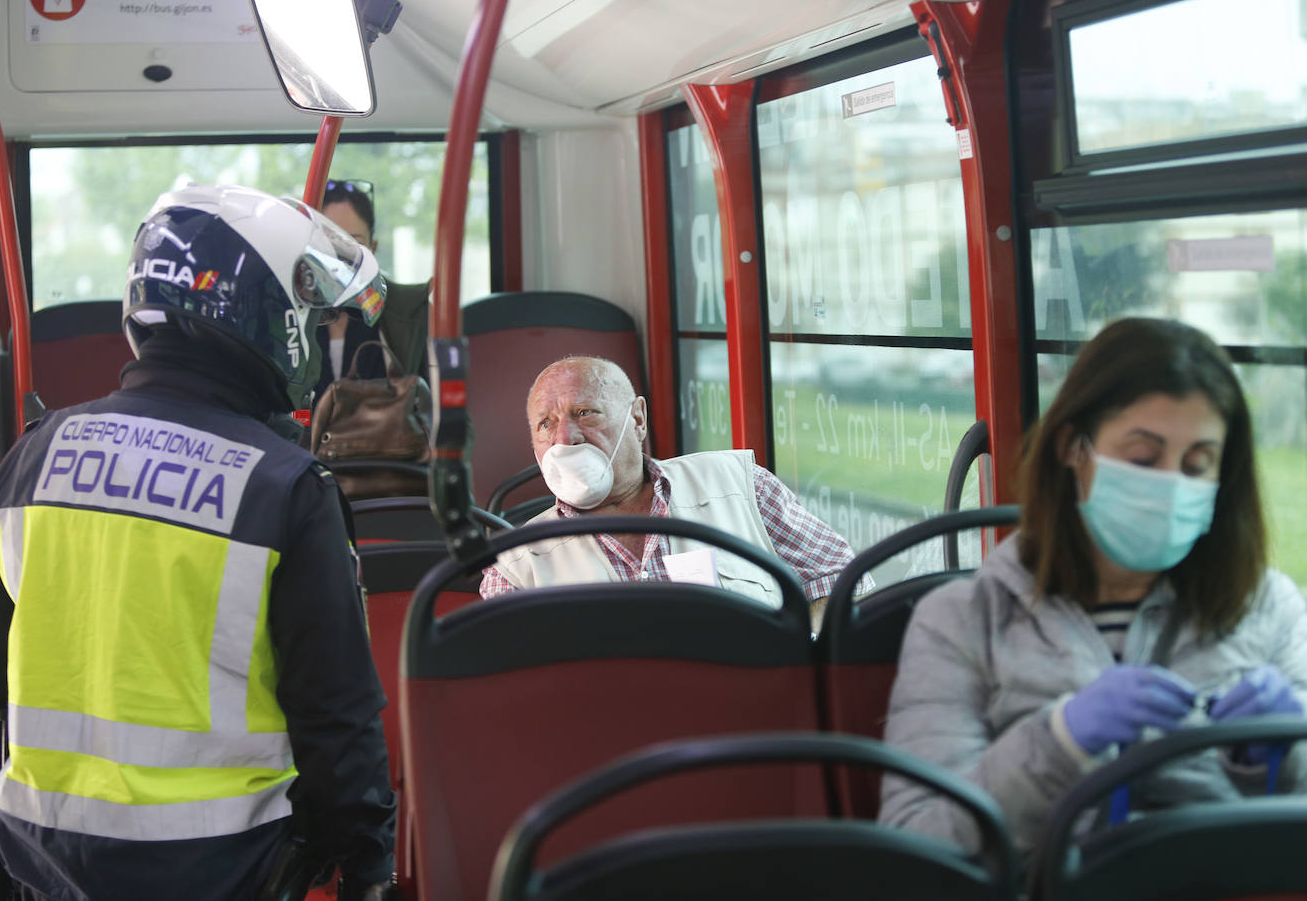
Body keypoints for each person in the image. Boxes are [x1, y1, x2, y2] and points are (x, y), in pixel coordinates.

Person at [0, 184, 397, 900]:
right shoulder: (284, 485)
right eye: (309, 308)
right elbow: (336, 720)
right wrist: (366, 863)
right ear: (263, 312)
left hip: (35, 862)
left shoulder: (36, 453)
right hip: (222, 869)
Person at [879, 317, 1307, 855]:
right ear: (1072, 449)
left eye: (1197, 465)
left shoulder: (1268, 609)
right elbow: (918, 840)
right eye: (1143, 459)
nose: (1171, 486)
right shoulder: (963, 619)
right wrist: (1060, 741)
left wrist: (1289, 748)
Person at [479, 356, 872, 626]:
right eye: (545, 425)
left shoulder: (740, 486)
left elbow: (840, 581)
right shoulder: (514, 566)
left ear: (637, 419)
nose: (566, 437)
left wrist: (801, 649)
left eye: (585, 413)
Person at [314, 179, 429, 402]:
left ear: (373, 248)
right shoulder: (289, 313)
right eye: (330, 241)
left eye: (353, 242)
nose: (341, 256)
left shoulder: (410, 311)